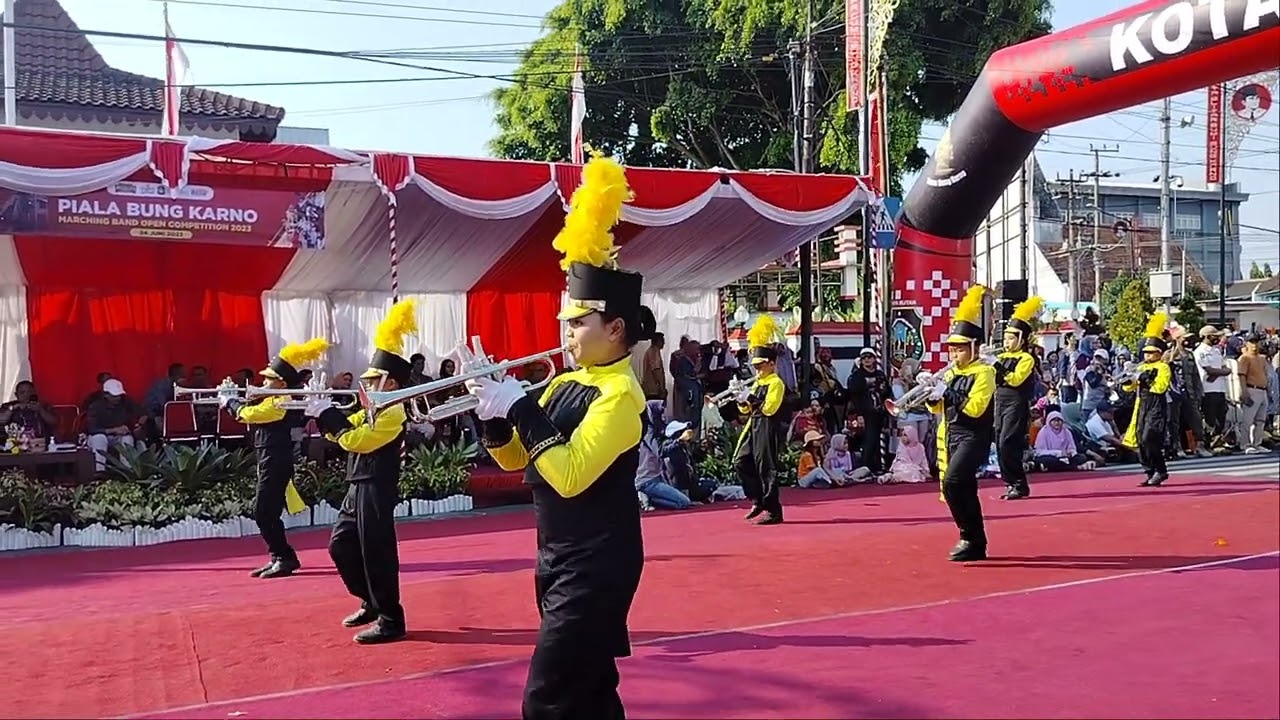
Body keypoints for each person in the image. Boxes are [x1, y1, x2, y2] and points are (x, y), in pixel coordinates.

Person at [466, 155, 651, 719]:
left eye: (577, 322)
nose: (565, 333)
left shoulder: (621, 397)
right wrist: (495, 414)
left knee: (545, 700)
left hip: (598, 562)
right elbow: (519, 457)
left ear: (614, 328)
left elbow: (569, 475)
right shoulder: (565, 382)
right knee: (591, 691)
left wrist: (519, 402)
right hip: (556, 555)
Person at [305, 299, 416, 645]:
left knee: (377, 552)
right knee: (340, 546)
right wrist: (321, 410)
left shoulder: (393, 414)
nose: (366, 386)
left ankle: (390, 617)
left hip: (376, 487)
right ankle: (369, 600)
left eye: (374, 380)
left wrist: (327, 414)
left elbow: (356, 441)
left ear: (392, 384)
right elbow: (343, 430)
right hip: (357, 486)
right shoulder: (374, 410)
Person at [219, 338, 326, 578]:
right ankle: (279, 556)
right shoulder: (272, 398)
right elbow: (249, 406)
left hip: (276, 461)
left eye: (268, 379)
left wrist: (229, 401)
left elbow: (248, 414)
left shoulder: (280, 402)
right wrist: (232, 394)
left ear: (280, 383)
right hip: (269, 458)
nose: (263, 382)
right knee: (266, 511)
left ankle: (284, 556)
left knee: (263, 511)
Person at [923, 285, 995, 562]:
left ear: (973, 348)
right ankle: (974, 540)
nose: (954, 355)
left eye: (960, 349)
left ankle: (969, 535)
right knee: (961, 487)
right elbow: (939, 407)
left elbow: (975, 409)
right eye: (952, 350)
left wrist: (948, 392)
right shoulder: (951, 372)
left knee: (953, 482)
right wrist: (932, 394)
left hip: (973, 435)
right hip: (950, 433)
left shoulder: (984, 372)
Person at [735, 313, 788, 525]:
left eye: (760, 366)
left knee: (767, 467)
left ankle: (774, 510)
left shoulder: (776, 383)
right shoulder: (758, 382)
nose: (756, 370)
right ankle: (758, 499)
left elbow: (769, 408)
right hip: (754, 424)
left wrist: (751, 397)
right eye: (755, 366)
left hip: (767, 426)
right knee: (741, 461)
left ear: (771, 364)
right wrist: (741, 398)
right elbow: (747, 410)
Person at [994, 295, 1042, 500]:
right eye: (1005, 337)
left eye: (1012, 338)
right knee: (998, 442)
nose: (1006, 342)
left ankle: (1019, 482)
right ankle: (1010, 482)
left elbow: (1014, 380)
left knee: (1008, 442)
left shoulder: (1026, 358)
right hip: (999, 402)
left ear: (1022, 339)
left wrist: (995, 366)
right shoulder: (1001, 357)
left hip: (1015, 402)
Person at [1122, 313, 1173, 487]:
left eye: (1151, 353)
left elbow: (1160, 388)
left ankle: (1160, 469)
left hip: (1156, 405)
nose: (1147, 355)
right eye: (1146, 352)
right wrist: (1129, 380)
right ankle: (1150, 471)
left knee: (1149, 438)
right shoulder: (1142, 367)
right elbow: (1128, 388)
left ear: (1159, 353)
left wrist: (1146, 379)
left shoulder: (1163, 367)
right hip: (1141, 405)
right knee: (1139, 440)